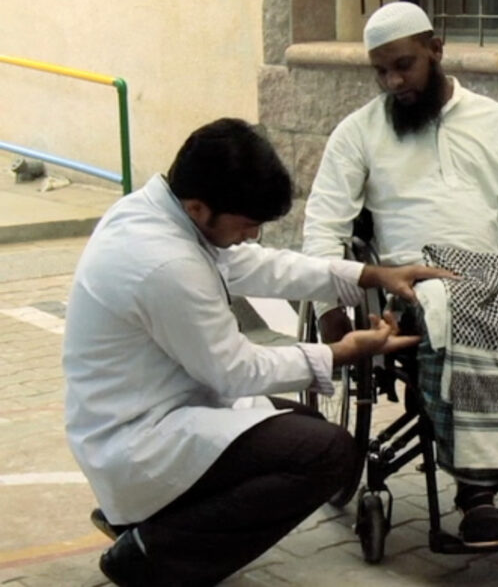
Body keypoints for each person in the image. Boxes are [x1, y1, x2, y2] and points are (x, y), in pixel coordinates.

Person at [63, 118, 451, 586]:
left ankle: (150, 521)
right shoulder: (165, 263)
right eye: (248, 224)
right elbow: (236, 371)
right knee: (326, 452)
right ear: (199, 207)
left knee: (303, 425)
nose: (251, 236)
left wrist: (370, 275)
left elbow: (253, 264)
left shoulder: (157, 213)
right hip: (137, 435)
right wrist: (340, 352)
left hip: (148, 409)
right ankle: (153, 556)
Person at [302, 2, 498, 548]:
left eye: (403, 66)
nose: (393, 82)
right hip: (412, 284)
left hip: (496, 276)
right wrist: (328, 308)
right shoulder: (358, 132)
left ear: (436, 49)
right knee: (451, 312)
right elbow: (323, 226)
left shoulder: (496, 122)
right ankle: (477, 495)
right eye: (380, 71)